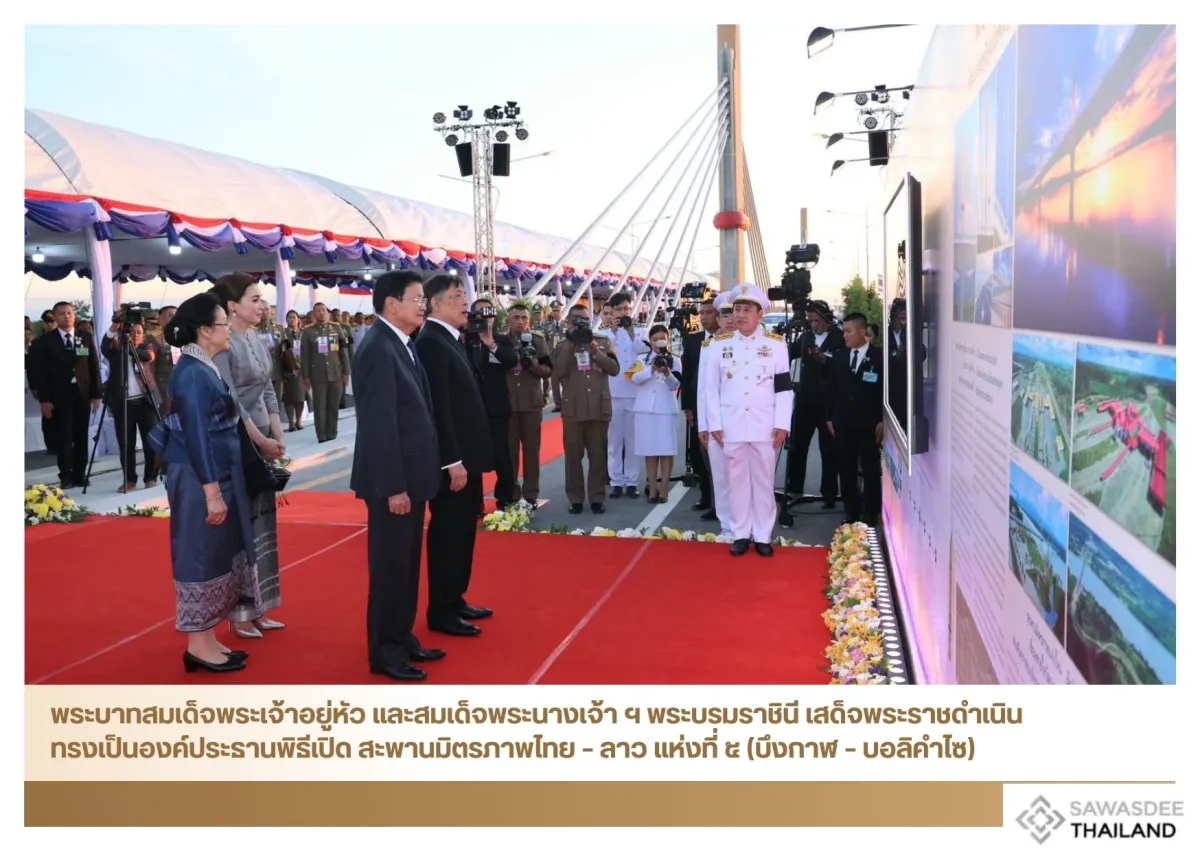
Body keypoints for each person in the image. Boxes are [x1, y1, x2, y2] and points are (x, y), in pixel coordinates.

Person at [149, 292, 260, 674]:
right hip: (200, 478)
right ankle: (197, 643)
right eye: (223, 324)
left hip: (217, 472)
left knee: (217, 553)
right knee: (199, 553)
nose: (228, 330)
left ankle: (208, 637)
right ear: (204, 331)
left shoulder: (204, 365)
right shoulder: (193, 373)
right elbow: (196, 435)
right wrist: (211, 493)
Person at [350, 271, 444, 681]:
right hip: (394, 482)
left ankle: (401, 635)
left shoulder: (400, 344)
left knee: (406, 565)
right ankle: (385, 651)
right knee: (390, 567)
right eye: (417, 298)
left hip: (413, 476)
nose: (423, 305)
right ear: (391, 303)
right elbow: (379, 425)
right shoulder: (377, 348)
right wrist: (394, 487)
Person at [416, 273, 495, 637]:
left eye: (465, 294)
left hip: (467, 457)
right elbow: (439, 408)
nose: (466, 301)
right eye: (457, 295)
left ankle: (455, 598)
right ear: (435, 303)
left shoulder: (452, 339)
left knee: (464, 531)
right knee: (449, 533)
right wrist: (452, 461)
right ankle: (442, 609)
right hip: (454, 462)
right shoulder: (431, 341)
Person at [210, 273, 288, 639]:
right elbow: (232, 401)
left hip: (262, 440)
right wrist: (259, 439)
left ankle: (262, 607)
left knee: (264, 526)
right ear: (232, 306)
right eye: (254, 299)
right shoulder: (225, 344)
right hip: (237, 442)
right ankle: (240, 613)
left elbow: (269, 387)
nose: (261, 305)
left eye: (261, 299)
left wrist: (277, 429)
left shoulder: (257, 337)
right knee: (243, 529)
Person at [699, 284, 792, 557]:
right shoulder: (719, 346)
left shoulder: (775, 345)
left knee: (763, 480)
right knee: (736, 480)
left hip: (765, 425)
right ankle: (740, 532)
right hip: (731, 425)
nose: (740, 315)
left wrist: (782, 423)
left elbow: (784, 388)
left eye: (746, 310)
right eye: (736, 309)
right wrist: (714, 424)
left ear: (760, 313)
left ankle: (763, 534)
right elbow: (710, 389)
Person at [553, 302, 621, 514]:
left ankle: (597, 497)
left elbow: (614, 369)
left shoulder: (602, 341)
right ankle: (575, 498)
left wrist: (596, 352)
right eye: (576, 320)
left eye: (583, 319)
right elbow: (559, 371)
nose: (580, 323)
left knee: (597, 456)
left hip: (598, 408)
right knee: (573, 458)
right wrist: (572, 346)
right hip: (573, 409)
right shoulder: (561, 346)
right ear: (568, 322)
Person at [27, 301, 101, 489]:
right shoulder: (45, 342)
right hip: (59, 395)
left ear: (74, 315)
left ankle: (80, 474)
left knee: (81, 435)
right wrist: (44, 399)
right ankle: (66, 475)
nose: (66, 317)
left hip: (81, 394)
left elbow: (93, 366)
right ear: (54, 317)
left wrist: (96, 394)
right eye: (61, 314)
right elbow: (38, 373)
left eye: (69, 313)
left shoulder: (84, 337)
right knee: (64, 436)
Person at [826, 312, 884, 526]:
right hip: (842, 423)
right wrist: (829, 417)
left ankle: (871, 512)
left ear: (863, 332)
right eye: (844, 332)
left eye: (849, 331)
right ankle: (851, 512)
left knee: (870, 470)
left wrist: (882, 420)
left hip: (868, 425)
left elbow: (885, 392)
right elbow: (831, 388)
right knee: (846, 469)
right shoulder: (840, 356)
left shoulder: (879, 358)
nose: (845, 336)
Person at [785, 300, 844, 507]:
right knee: (797, 446)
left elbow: (841, 365)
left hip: (828, 401)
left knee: (829, 449)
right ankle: (794, 489)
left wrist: (824, 360)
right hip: (805, 398)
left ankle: (829, 494)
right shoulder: (806, 336)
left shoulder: (838, 338)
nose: (812, 324)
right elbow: (790, 354)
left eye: (815, 320)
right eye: (809, 320)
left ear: (826, 319)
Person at [466, 297, 518, 511]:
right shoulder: (463, 340)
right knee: (472, 457)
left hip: (497, 407)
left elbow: (511, 360)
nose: (483, 317)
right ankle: (474, 503)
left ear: (494, 316)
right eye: (479, 313)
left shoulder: (501, 340)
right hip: (471, 409)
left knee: (502, 456)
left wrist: (492, 344)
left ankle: (505, 500)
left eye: (488, 312)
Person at [100, 315, 161, 493]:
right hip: (123, 403)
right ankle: (129, 479)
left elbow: (147, 356)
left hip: (145, 402)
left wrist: (128, 347)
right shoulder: (115, 351)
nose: (134, 335)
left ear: (143, 335)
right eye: (130, 332)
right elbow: (105, 343)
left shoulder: (146, 347)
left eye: (138, 332)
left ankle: (150, 477)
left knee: (150, 442)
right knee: (126, 443)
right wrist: (115, 325)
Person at [506, 302, 553, 505]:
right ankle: (512, 492)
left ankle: (531, 493)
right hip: (507, 403)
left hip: (531, 402)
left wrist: (533, 365)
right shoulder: (500, 341)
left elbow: (548, 370)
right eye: (516, 317)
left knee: (532, 451)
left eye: (524, 318)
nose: (520, 322)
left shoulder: (538, 341)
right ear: (509, 319)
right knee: (509, 452)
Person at [602, 292, 647, 498]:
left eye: (627, 309)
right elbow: (603, 352)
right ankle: (616, 481)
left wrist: (629, 331)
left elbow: (642, 350)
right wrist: (614, 328)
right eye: (619, 309)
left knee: (632, 441)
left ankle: (631, 482)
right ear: (612, 311)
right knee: (614, 441)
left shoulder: (639, 331)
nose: (623, 313)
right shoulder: (605, 333)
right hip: (612, 393)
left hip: (634, 393)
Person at [630, 324, 681, 503]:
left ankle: (664, 488)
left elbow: (675, 385)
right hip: (645, 410)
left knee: (666, 451)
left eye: (662, 338)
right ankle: (652, 487)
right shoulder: (641, 359)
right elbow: (634, 379)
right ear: (650, 341)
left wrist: (667, 372)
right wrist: (651, 370)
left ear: (667, 340)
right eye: (654, 338)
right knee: (650, 451)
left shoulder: (674, 360)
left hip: (666, 410)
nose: (658, 342)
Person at [680, 297, 719, 516]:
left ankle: (719, 502)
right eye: (702, 313)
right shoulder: (693, 341)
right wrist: (687, 406)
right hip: (698, 406)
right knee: (699, 455)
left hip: (720, 408)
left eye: (709, 312)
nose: (704, 316)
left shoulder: (727, 340)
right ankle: (706, 496)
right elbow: (687, 376)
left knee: (718, 456)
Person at [301, 302, 349, 442]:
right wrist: (306, 376)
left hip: (336, 372)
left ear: (328, 313)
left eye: (323, 310)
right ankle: (322, 435)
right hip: (318, 374)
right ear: (314, 314)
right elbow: (305, 356)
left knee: (333, 405)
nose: (321, 313)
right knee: (320, 406)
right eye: (318, 311)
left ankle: (332, 432)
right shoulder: (308, 332)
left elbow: (343, 352)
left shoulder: (337, 328)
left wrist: (346, 371)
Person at [279, 310, 307, 431]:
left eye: (294, 317)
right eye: (289, 317)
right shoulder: (283, 334)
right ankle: (291, 422)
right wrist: (291, 366)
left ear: (298, 319)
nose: (292, 320)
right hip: (288, 369)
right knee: (289, 398)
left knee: (300, 397)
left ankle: (299, 421)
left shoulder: (303, 333)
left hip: (302, 368)